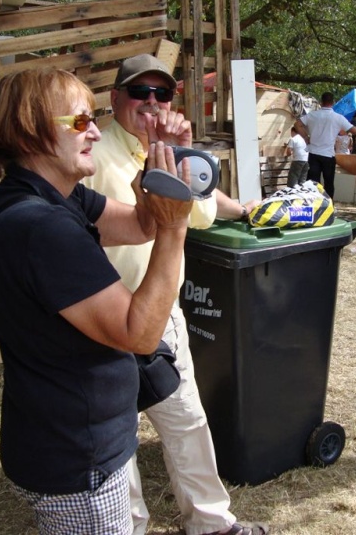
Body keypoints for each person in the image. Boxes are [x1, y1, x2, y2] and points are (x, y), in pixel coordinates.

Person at [0, 67, 194, 534]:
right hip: (77, 459)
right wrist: (177, 226)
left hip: (67, 441)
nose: (95, 131)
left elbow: (139, 225)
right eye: (79, 122)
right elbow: (140, 333)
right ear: (30, 129)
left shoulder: (58, 198)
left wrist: (158, 165)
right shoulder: (43, 228)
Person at [81, 54, 267, 535]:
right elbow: (134, 224)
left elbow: (198, 216)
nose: (151, 102)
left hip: (162, 313)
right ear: (115, 98)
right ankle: (129, 527)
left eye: (161, 94)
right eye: (139, 92)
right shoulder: (94, 152)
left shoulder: (161, 149)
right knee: (118, 435)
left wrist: (183, 157)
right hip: (106, 316)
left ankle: (211, 522)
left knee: (186, 418)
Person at [294, 92, 356, 199]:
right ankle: (329, 206)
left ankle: (313, 204)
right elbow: (353, 130)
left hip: (313, 153)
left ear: (321, 102)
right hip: (328, 155)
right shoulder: (338, 117)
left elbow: (297, 124)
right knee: (329, 183)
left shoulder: (312, 115)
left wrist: (306, 137)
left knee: (312, 183)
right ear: (333, 102)